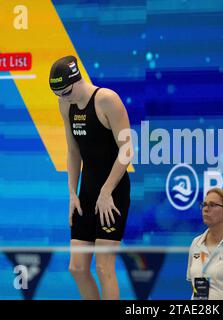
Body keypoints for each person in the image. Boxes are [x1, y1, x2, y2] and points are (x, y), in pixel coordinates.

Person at [49, 55, 133, 300]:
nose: (63, 98)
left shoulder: (107, 100)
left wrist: (106, 192)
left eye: (65, 92)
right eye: (58, 94)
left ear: (77, 80)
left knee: (104, 267)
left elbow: (127, 150)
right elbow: (73, 151)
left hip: (113, 191)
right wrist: (72, 193)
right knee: (77, 268)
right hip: (86, 191)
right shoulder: (66, 105)